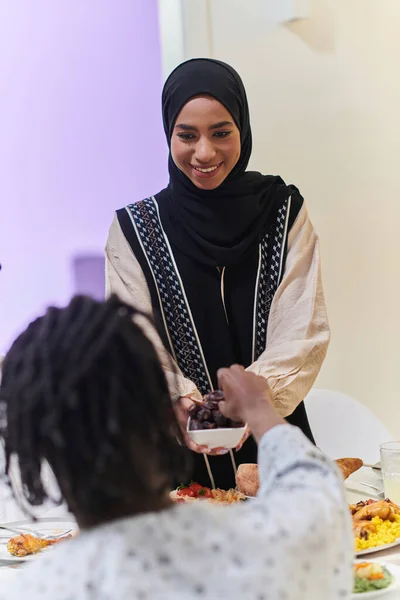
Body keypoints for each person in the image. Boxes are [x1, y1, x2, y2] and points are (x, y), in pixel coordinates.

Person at [0, 295, 351, 600]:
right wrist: (259, 408)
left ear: (34, 454)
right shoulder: (258, 544)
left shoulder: (33, 590)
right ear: (160, 416)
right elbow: (319, 496)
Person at [105, 58, 330, 489]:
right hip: (177, 465)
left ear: (242, 130)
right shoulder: (134, 231)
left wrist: (255, 403)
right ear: (168, 134)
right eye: (186, 135)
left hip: (275, 452)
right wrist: (178, 400)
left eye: (221, 133)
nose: (204, 153)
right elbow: (135, 342)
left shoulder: (284, 213)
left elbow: (302, 331)